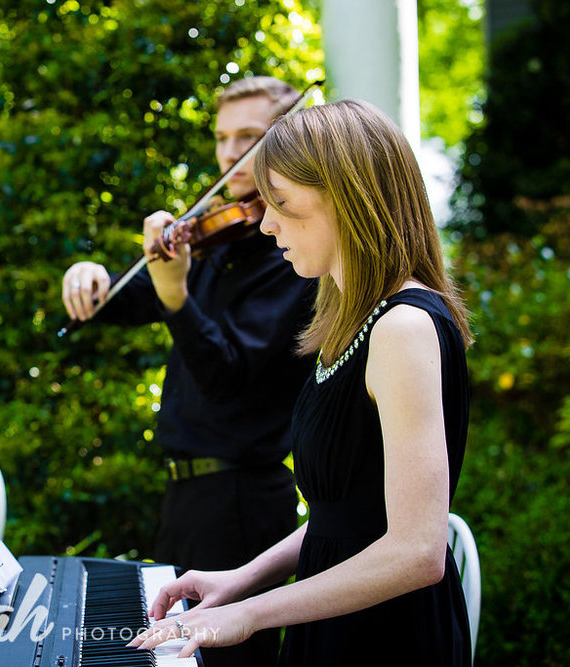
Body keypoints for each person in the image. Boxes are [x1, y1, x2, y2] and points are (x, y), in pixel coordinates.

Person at [131, 99, 474, 666]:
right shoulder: (350, 320)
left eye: (283, 204)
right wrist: (242, 579)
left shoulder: (405, 326)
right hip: (334, 617)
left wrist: (249, 614)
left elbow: (417, 551)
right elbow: (348, 517)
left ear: (350, 200)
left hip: (384, 639)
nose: (266, 223)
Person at [61, 76, 316, 667]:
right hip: (187, 493)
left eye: (249, 137)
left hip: (241, 499)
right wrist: (91, 275)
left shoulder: (291, 254)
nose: (230, 154)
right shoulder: (214, 233)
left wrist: (176, 296)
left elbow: (229, 374)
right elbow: (127, 302)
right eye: (223, 138)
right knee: (171, 659)